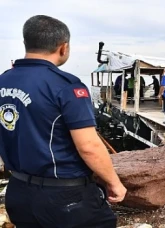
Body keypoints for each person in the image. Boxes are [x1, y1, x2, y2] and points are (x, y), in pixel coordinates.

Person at [0, 15, 127, 227]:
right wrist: (114, 183)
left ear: (26, 43)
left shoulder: (3, 81)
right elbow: (89, 146)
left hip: (18, 191)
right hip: (66, 198)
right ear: (63, 47)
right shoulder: (66, 86)